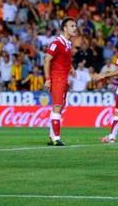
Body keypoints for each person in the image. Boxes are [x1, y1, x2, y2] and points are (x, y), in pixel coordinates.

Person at [44, 17, 77, 147]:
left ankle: (52, 135)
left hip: (64, 79)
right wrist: (47, 79)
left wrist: (71, 68)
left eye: (75, 26)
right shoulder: (56, 43)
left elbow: (64, 60)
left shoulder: (67, 44)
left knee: (60, 106)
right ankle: (56, 138)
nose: (75, 28)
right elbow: (47, 60)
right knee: (57, 106)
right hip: (57, 79)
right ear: (65, 28)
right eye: (72, 26)